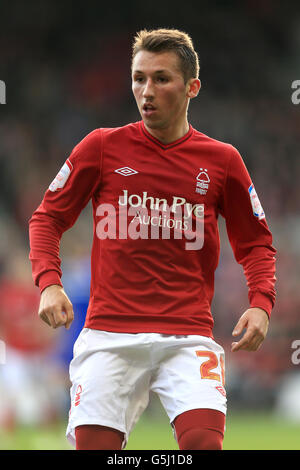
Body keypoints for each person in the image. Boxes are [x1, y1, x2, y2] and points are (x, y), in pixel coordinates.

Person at [28, 28, 276, 450]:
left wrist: (261, 304)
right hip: (110, 336)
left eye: (161, 78)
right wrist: (49, 282)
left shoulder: (222, 161)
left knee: (202, 446)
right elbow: (47, 217)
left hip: (187, 335)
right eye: (139, 78)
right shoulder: (101, 147)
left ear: (192, 87)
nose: (147, 90)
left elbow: (255, 243)